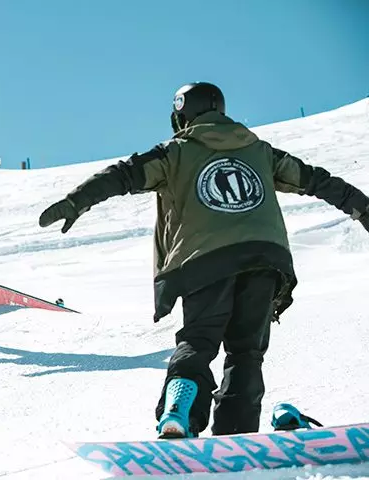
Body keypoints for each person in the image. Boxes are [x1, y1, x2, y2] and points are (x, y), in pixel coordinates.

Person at [39, 82, 369, 439]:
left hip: (204, 261)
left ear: (182, 114)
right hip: (264, 259)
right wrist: (363, 208)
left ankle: (180, 410)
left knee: (198, 341)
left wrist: (76, 201)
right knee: (246, 353)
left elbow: (124, 174)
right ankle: (236, 434)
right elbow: (316, 180)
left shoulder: (174, 152)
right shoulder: (260, 150)